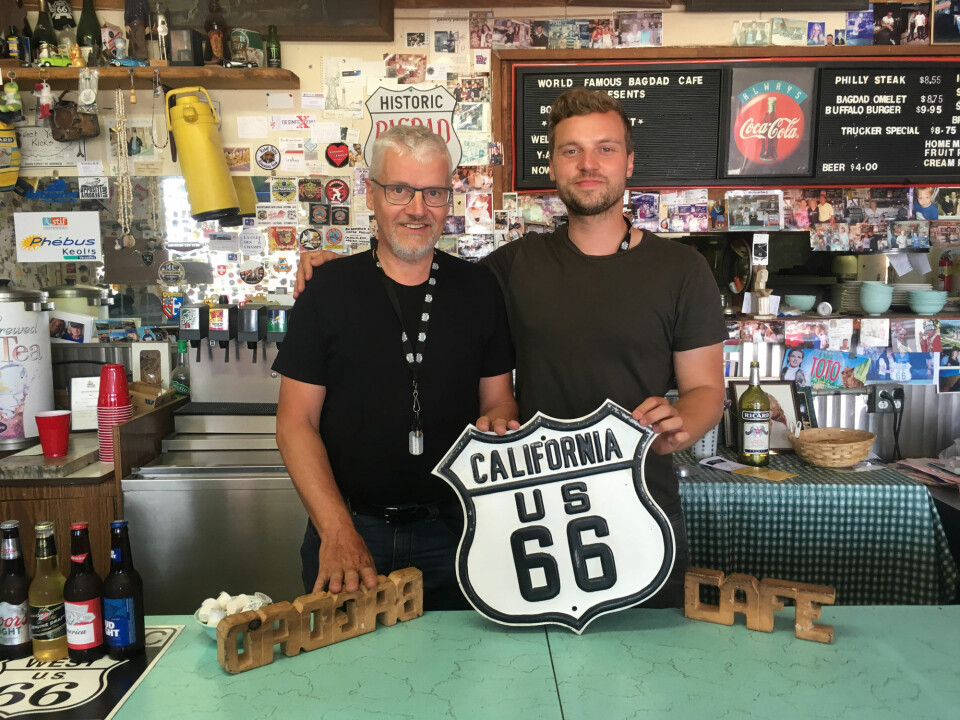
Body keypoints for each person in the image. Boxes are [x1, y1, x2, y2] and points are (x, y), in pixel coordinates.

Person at [295, 88, 727, 609]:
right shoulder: (508, 268)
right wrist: (332, 270)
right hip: (530, 517)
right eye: (571, 151)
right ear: (553, 165)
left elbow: (705, 389)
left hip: (641, 504)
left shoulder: (682, 270)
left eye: (605, 149)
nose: (588, 164)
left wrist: (681, 424)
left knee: (646, 667)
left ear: (629, 161)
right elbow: (415, 269)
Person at [274, 125, 518, 610]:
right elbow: (294, 423)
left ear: (449, 198)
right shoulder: (328, 290)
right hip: (349, 530)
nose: (416, 209)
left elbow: (499, 397)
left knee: (461, 677)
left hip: (458, 530)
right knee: (348, 680)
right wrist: (336, 531)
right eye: (399, 190)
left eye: (433, 193)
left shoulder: (479, 289)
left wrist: (499, 420)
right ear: (371, 194)